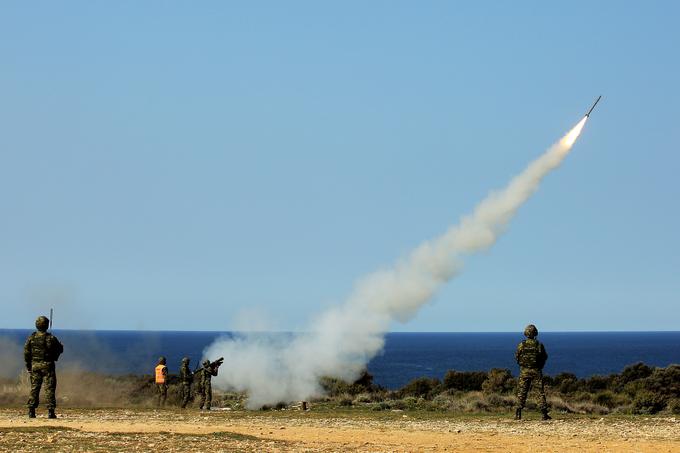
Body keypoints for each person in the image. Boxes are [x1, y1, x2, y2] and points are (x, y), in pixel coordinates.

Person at [24, 315, 63, 419]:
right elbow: (59, 349)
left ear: (37, 325)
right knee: (49, 388)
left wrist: (28, 366)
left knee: (34, 388)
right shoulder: (51, 338)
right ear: (46, 325)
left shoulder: (31, 338)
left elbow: (26, 353)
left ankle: (31, 411)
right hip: (48, 367)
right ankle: (51, 412)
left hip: (35, 366)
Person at [514, 324, 550, 420]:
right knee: (539, 392)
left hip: (524, 371)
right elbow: (544, 357)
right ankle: (544, 414)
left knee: (522, 391)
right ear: (535, 333)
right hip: (536, 371)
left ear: (526, 333)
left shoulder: (521, 344)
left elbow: (517, 357)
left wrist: (523, 366)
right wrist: (540, 366)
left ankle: (518, 413)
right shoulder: (539, 345)